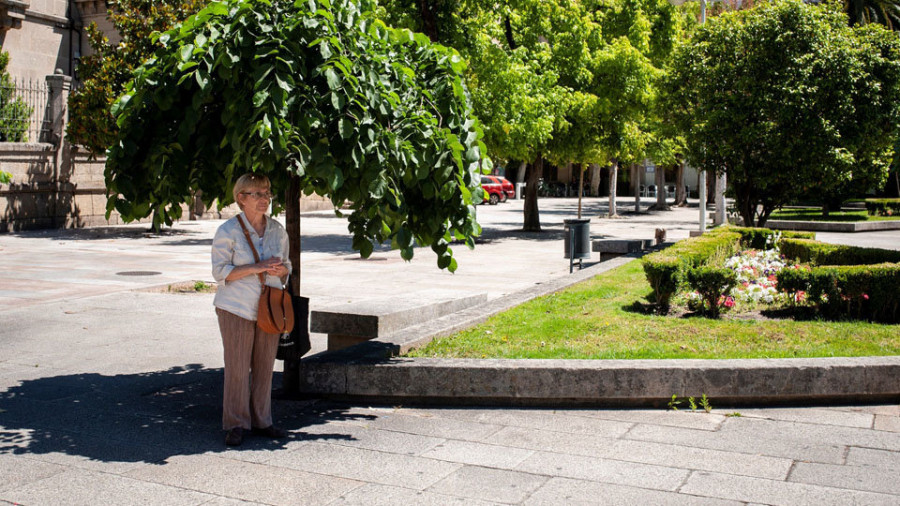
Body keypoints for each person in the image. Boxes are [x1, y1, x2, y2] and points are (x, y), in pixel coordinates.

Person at [211, 173, 291, 446]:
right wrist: (256, 267)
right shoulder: (228, 231)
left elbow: (287, 268)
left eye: (267, 193)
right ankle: (235, 423)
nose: (264, 199)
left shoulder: (278, 230)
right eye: (257, 194)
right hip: (235, 307)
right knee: (237, 367)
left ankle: (263, 420)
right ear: (241, 198)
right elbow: (220, 273)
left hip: (269, 307)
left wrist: (282, 270)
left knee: (265, 365)